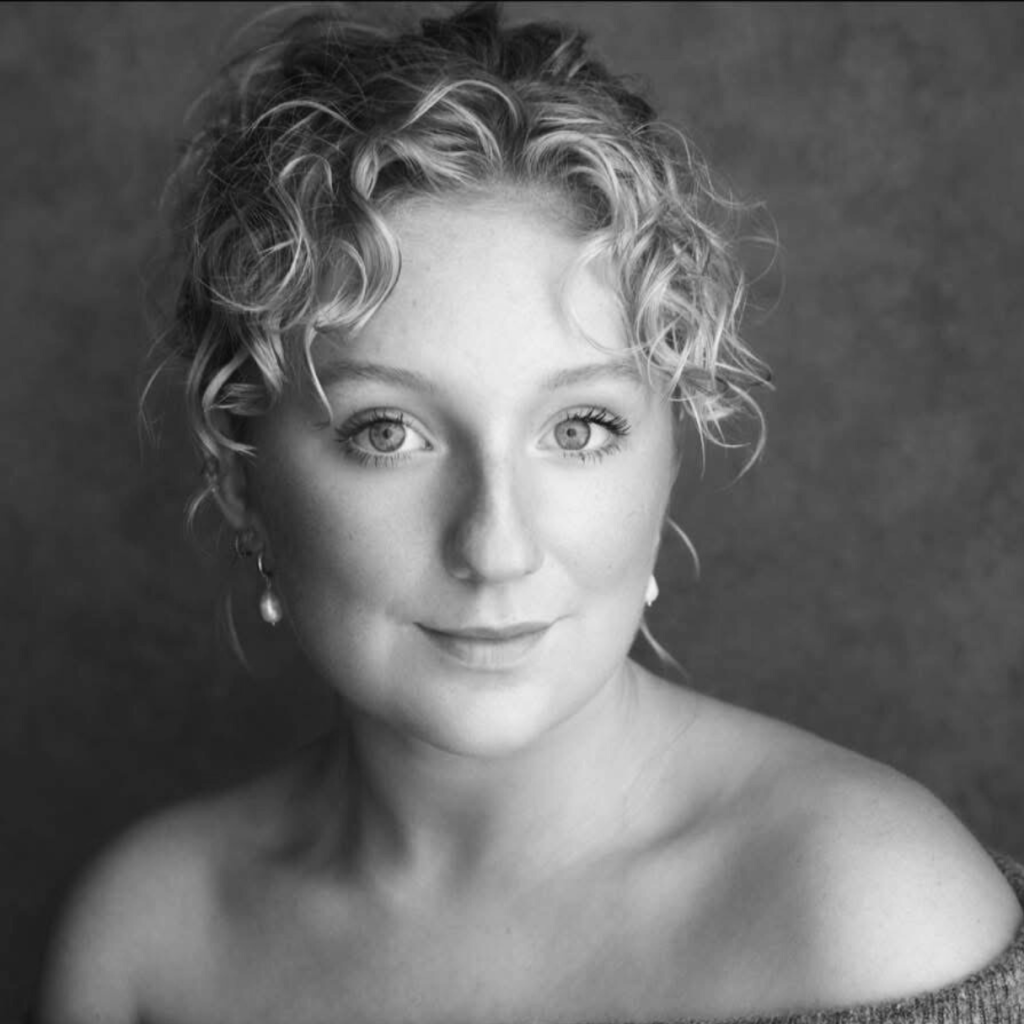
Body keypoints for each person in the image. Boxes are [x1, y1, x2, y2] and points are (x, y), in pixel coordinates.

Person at [36, 3, 1024, 1022]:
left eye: (580, 426)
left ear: (667, 452)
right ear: (241, 478)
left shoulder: (871, 916)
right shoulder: (147, 942)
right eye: (388, 432)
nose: (496, 546)